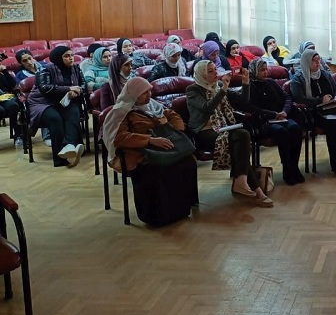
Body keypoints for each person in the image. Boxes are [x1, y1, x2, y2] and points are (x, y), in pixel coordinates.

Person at [102, 77, 198, 226]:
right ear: (133, 94)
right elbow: (120, 137)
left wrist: (175, 132)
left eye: (150, 91)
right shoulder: (120, 112)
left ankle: (180, 209)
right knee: (157, 170)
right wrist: (150, 140)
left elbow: (172, 115)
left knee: (187, 162)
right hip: (140, 153)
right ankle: (158, 216)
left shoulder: (153, 105)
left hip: (164, 146)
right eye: (144, 93)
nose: (149, 96)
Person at [186, 60, 273, 206]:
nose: (215, 73)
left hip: (223, 128)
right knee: (239, 140)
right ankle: (256, 190)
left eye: (215, 69)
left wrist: (246, 83)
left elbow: (243, 101)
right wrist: (223, 90)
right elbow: (207, 107)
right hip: (204, 132)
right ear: (201, 74)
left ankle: (242, 181)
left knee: (242, 134)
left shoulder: (218, 86)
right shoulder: (192, 90)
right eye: (210, 71)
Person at [291, 48, 336, 178]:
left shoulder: (325, 74)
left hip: (333, 106)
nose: (318, 63)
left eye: (319, 60)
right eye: (314, 61)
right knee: (333, 126)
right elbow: (299, 98)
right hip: (314, 111)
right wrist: (319, 100)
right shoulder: (298, 78)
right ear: (306, 62)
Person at [238, 57, 305, 185]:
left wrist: (285, 111)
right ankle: (287, 169)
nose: (266, 72)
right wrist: (273, 114)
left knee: (295, 128)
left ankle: (294, 166)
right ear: (254, 71)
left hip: (281, 117)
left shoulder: (271, 82)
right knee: (282, 132)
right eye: (262, 70)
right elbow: (252, 108)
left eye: (266, 69)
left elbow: (287, 97)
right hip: (264, 121)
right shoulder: (250, 86)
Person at [26, 46, 87, 167]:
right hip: (41, 103)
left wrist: (77, 91)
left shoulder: (76, 68)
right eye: (66, 56)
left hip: (63, 101)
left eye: (71, 55)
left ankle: (69, 145)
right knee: (55, 118)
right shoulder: (45, 70)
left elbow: (84, 85)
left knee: (74, 111)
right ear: (58, 58)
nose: (71, 58)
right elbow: (45, 89)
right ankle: (59, 158)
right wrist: (69, 88)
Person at [0, 61, 21, 147]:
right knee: (0, 111)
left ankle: (18, 136)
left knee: (13, 106)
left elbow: (12, 85)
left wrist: (5, 71)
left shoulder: (1, 75)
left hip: (3, 98)